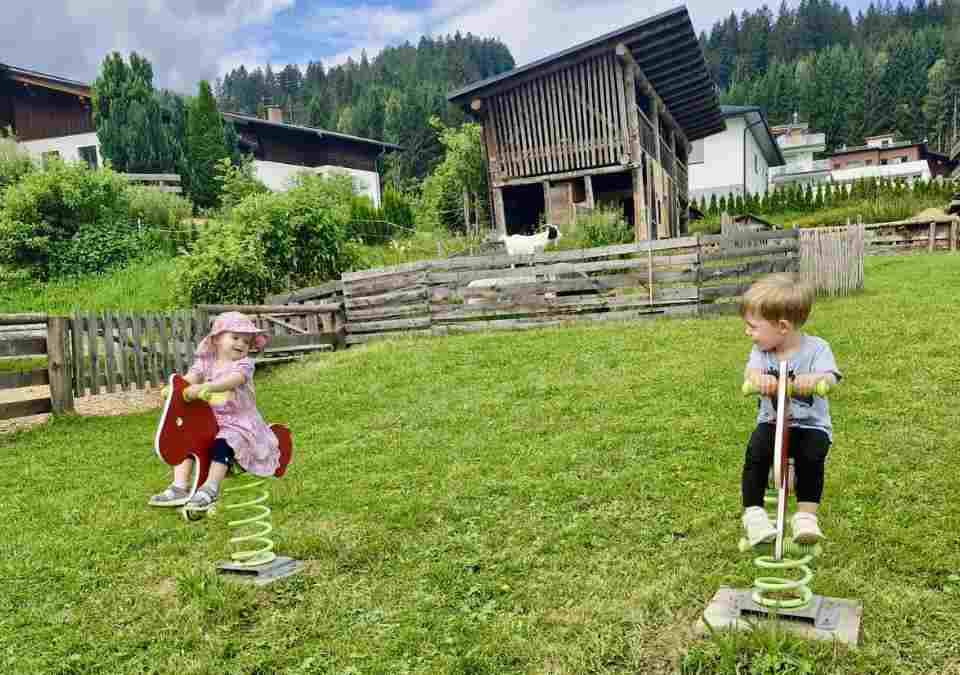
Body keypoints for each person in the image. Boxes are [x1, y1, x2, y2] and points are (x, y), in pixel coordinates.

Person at [740, 273, 841, 546]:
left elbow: (831, 377)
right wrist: (757, 379)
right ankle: (754, 515)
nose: (747, 332)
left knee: (812, 454)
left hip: (810, 425)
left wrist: (818, 380)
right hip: (772, 423)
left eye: (752, 326)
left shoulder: (818, 348)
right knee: (756, 452)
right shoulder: (761, 352)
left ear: (782, 327)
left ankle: (806, 517)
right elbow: (751, 372)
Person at [149, 312, 280, 510]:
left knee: (224, 442)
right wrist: (177, 388)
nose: (241, 344)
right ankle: (179, 486)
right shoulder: (205, 362)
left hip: (238, 421)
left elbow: (234, 380)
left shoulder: (244, 364)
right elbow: (192, 376)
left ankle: (210, 488)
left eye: (246, 341)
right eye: (235, 338)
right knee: (186, 439)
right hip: (210, 419)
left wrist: (208, 387)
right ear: (218, 339)